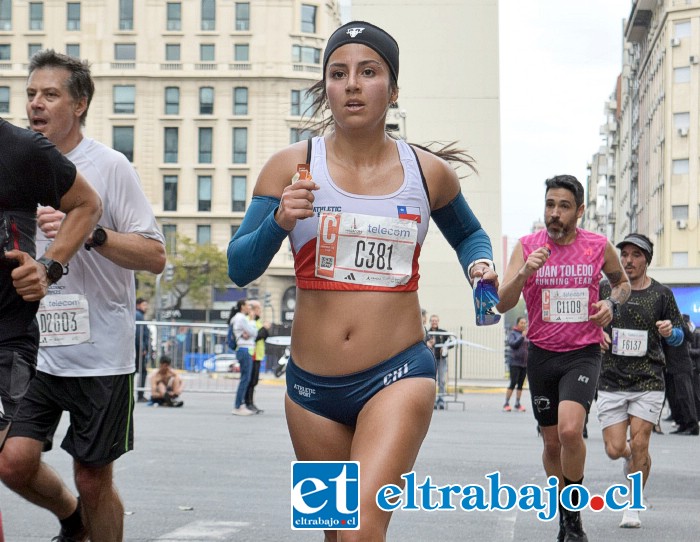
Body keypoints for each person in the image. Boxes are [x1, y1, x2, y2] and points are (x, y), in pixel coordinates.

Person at [227, 20, 497, 540]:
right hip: (309, 390)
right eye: (338, 72)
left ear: (392, 90)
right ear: (326, 87)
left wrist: (478, 267)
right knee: (335, 532)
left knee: (360, 533)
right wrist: (279, 220)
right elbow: (239, 266)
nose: (351, 83)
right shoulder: (291, 166)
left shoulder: (427, 172)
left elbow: (471, 236)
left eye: (368, 72)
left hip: (397, 375)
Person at [0, 50, 166, 542]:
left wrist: (92, 234)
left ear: (80, 104)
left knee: (93, 478)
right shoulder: (20, 159)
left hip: (101, 355)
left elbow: (155, 256)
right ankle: (73, 521)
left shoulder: (109, 166)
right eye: (31, 94)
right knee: (13, 462)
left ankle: (91, 519)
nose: (36, 104)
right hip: (34, 347)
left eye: (50, 95)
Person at [497, 174, 631, 542]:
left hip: (582, 353)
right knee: (552, 443)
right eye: (549, 205)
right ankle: (564, 513)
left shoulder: (598, 245)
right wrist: (525, 272)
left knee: (572, 430)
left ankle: (573, 520)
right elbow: (502, 302)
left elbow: (622, 284)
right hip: (541, 355)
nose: (554, 214)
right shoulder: (527, 247)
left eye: (563, 206)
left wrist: (609, 303)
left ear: (580, 211)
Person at [0, 116, 101, 542]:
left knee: (16, 462)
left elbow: (86, 203)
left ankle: (76, 519)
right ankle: (74, 519)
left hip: (7, 338)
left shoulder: (21, 149)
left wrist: (49, 266)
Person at [596, 233, 687, 529]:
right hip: (611, 378)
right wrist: (597, 335)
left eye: (636, 255)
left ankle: (632, 506)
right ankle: (631, 457)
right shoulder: (605, 289)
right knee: (614, 449)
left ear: (647, 259)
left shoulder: (661, 294)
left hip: (649, 379)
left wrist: (668, 331)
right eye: (624, 255)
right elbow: (588, 325)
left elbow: (679, 335)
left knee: (640, 441)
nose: (628, 260)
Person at [662, 317, 699, 435]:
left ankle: (692, 425)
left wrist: (682, 323)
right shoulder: (663, 325)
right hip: (671, 367)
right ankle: (682, 423)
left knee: (686, 396)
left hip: (682, 366)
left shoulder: (680, 324)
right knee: (675, 398)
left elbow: (690, 337)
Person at [230, 299, 258, 416]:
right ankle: (238, 406)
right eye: (248, 306)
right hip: (244, 349)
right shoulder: (241, 318)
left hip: (243, 349)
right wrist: (251, 321)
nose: (249, 308)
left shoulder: (237, 318)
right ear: (242, 306)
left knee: (245, 378)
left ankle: (239, 405)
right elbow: (253, 332)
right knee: (245, 379)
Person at [246, 299, 270, 414]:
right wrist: (264, 328)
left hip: (258, 355)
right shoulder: (250, 321)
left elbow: (263, 336)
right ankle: (247, 403)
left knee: (254, 381)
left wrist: (265, 329)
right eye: (258, 309)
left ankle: (251, 402)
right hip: (252, 354)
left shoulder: (257, 321)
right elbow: (255, 336)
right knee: (250, 380)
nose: (260, 311)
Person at [427, 314, 452, 409]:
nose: (434, 322)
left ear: (438, 322)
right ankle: (431, 401)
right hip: (430, 360)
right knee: (431, 381)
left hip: (441, 359)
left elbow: (451, 343)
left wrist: (445, 347)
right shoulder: (427, 333)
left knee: (441, 380)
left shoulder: (443, 333)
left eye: (436, 320)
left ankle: (441, 400)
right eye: (432, 320)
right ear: (430, 322)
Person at [504, 316, 528, 412]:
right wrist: (522, 337)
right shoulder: (513, 334)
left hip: (524, 363)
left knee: (521, 384)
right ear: (517, 323)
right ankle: (506, 403)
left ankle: (517, 403)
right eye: (521, 323)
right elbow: (513, 344)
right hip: (514, 362)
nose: (523, 324)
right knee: (513, 382)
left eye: (524, 323)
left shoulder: (526, 335)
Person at [135, 297, 151, 403]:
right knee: (142, 371)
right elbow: (138, 334)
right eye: (144, 305)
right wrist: (142, 347)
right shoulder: (138, 315)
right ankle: (140, 395)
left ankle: (139, 394)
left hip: (137, 348)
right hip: (138, 349)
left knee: (136, 371)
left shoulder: (139, 315)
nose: (146, 307)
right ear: (138, 305)